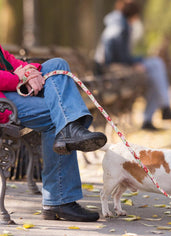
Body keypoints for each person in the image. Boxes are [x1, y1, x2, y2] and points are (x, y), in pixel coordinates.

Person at [0, 44, 107, 222]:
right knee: (59, 115)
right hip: (3, 100)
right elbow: (12, 74)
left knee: (57, 65)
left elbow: (10, 61)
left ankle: (71, 130)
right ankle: (58, 201)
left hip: (11, 90)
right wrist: (18, 78)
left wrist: (28, 71)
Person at [94, 0, 171, 130]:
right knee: (156, 67)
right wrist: (135, 62)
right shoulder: (121, 27)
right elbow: (117, 56)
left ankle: (157, 113)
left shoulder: (118, 23)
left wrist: (137, 60)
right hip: (112, 69)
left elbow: (119, 53)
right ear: (134, 16)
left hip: (112, 66)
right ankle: (162, 108)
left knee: (155, 74)